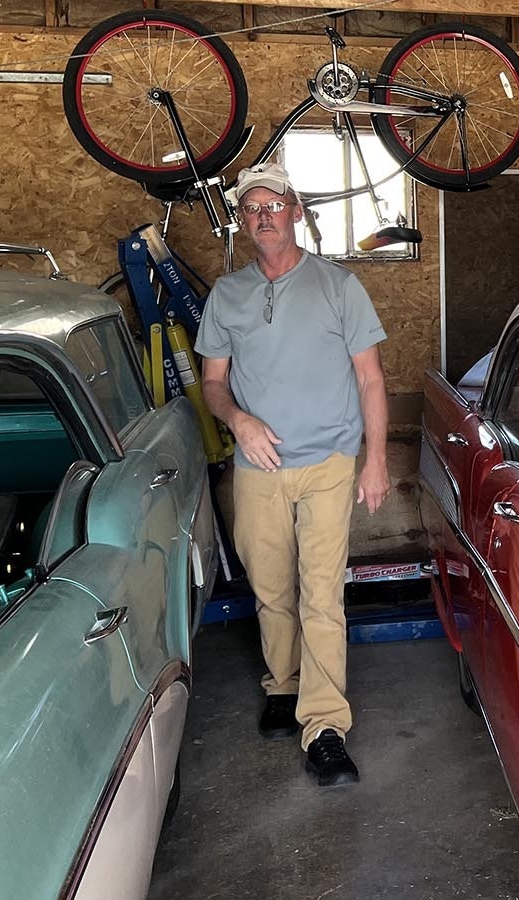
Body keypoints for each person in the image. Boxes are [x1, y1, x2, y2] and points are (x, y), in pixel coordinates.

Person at [196, 162, 390, 788]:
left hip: (330, 464)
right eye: (250, 207)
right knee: (271, 585)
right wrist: (238, 422)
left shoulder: (339, 286)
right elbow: (213, 384)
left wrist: (376, 459)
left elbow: (370, 377)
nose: (262, 216)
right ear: (242, 219)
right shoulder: (227, 295)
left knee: (321, 593)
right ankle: (283, 683)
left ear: (296, 210)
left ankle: (326, 726)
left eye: (272, 203)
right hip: (259, 467)